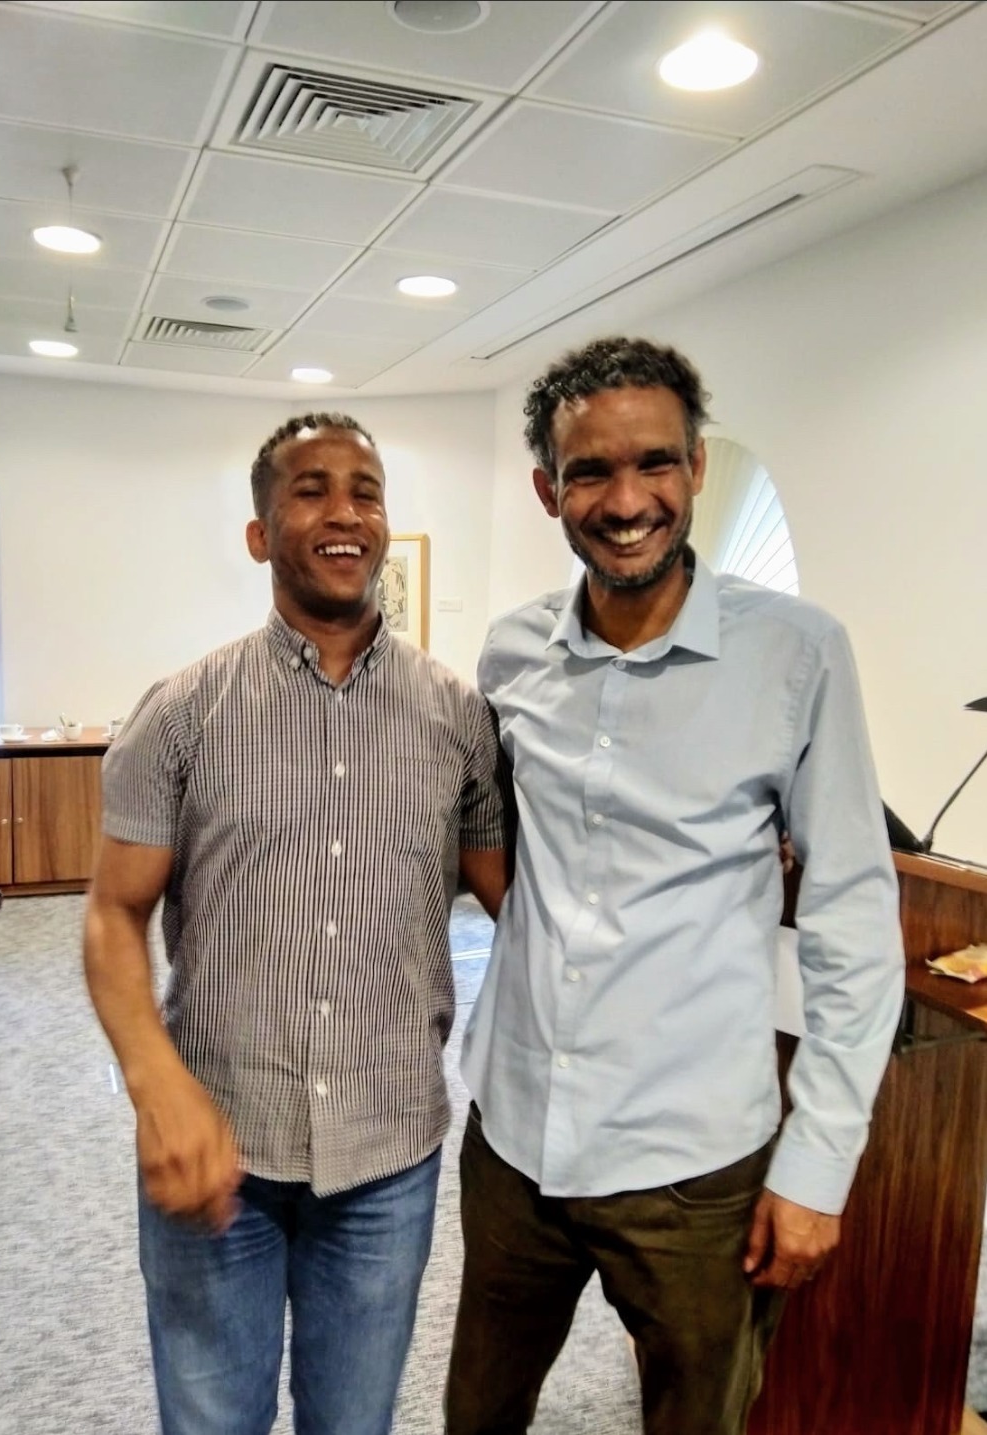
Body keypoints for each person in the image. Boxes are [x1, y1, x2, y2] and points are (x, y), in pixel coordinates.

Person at [444, 337, 905, 1435]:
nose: (626, 499)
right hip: (514, 1135)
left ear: (696, 467)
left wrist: (820, 1161)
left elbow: (851, 913)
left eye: (654, 463)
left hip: (695, 1166)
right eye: (591, 472)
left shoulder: (795, 653)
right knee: (477, 1413)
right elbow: (494, 844)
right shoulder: (510, 655)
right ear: (547, 489)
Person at [83, 412, 506, 1435]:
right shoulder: (181, 712)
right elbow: (111, 917)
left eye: (365, 489)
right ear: (260, 533)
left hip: (387, 1154)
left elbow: (521, 900)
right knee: (211, 1420)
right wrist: (156, 1089)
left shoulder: (457, 717)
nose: (344, 511)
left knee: (352, 1423)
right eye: (311, 489)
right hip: (218, 1138)